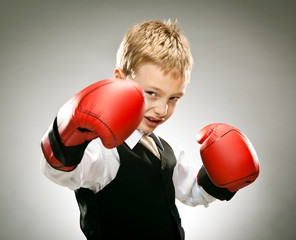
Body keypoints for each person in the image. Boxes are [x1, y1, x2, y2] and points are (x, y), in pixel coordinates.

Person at [40, 19, 259, 240]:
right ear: (119, 80)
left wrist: (225, 176)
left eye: (174, 98)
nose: (162, 110)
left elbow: (194, 192)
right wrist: (68, 134)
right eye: (152, 93)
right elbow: (62, 173)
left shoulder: (163, 148)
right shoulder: (104, 150)